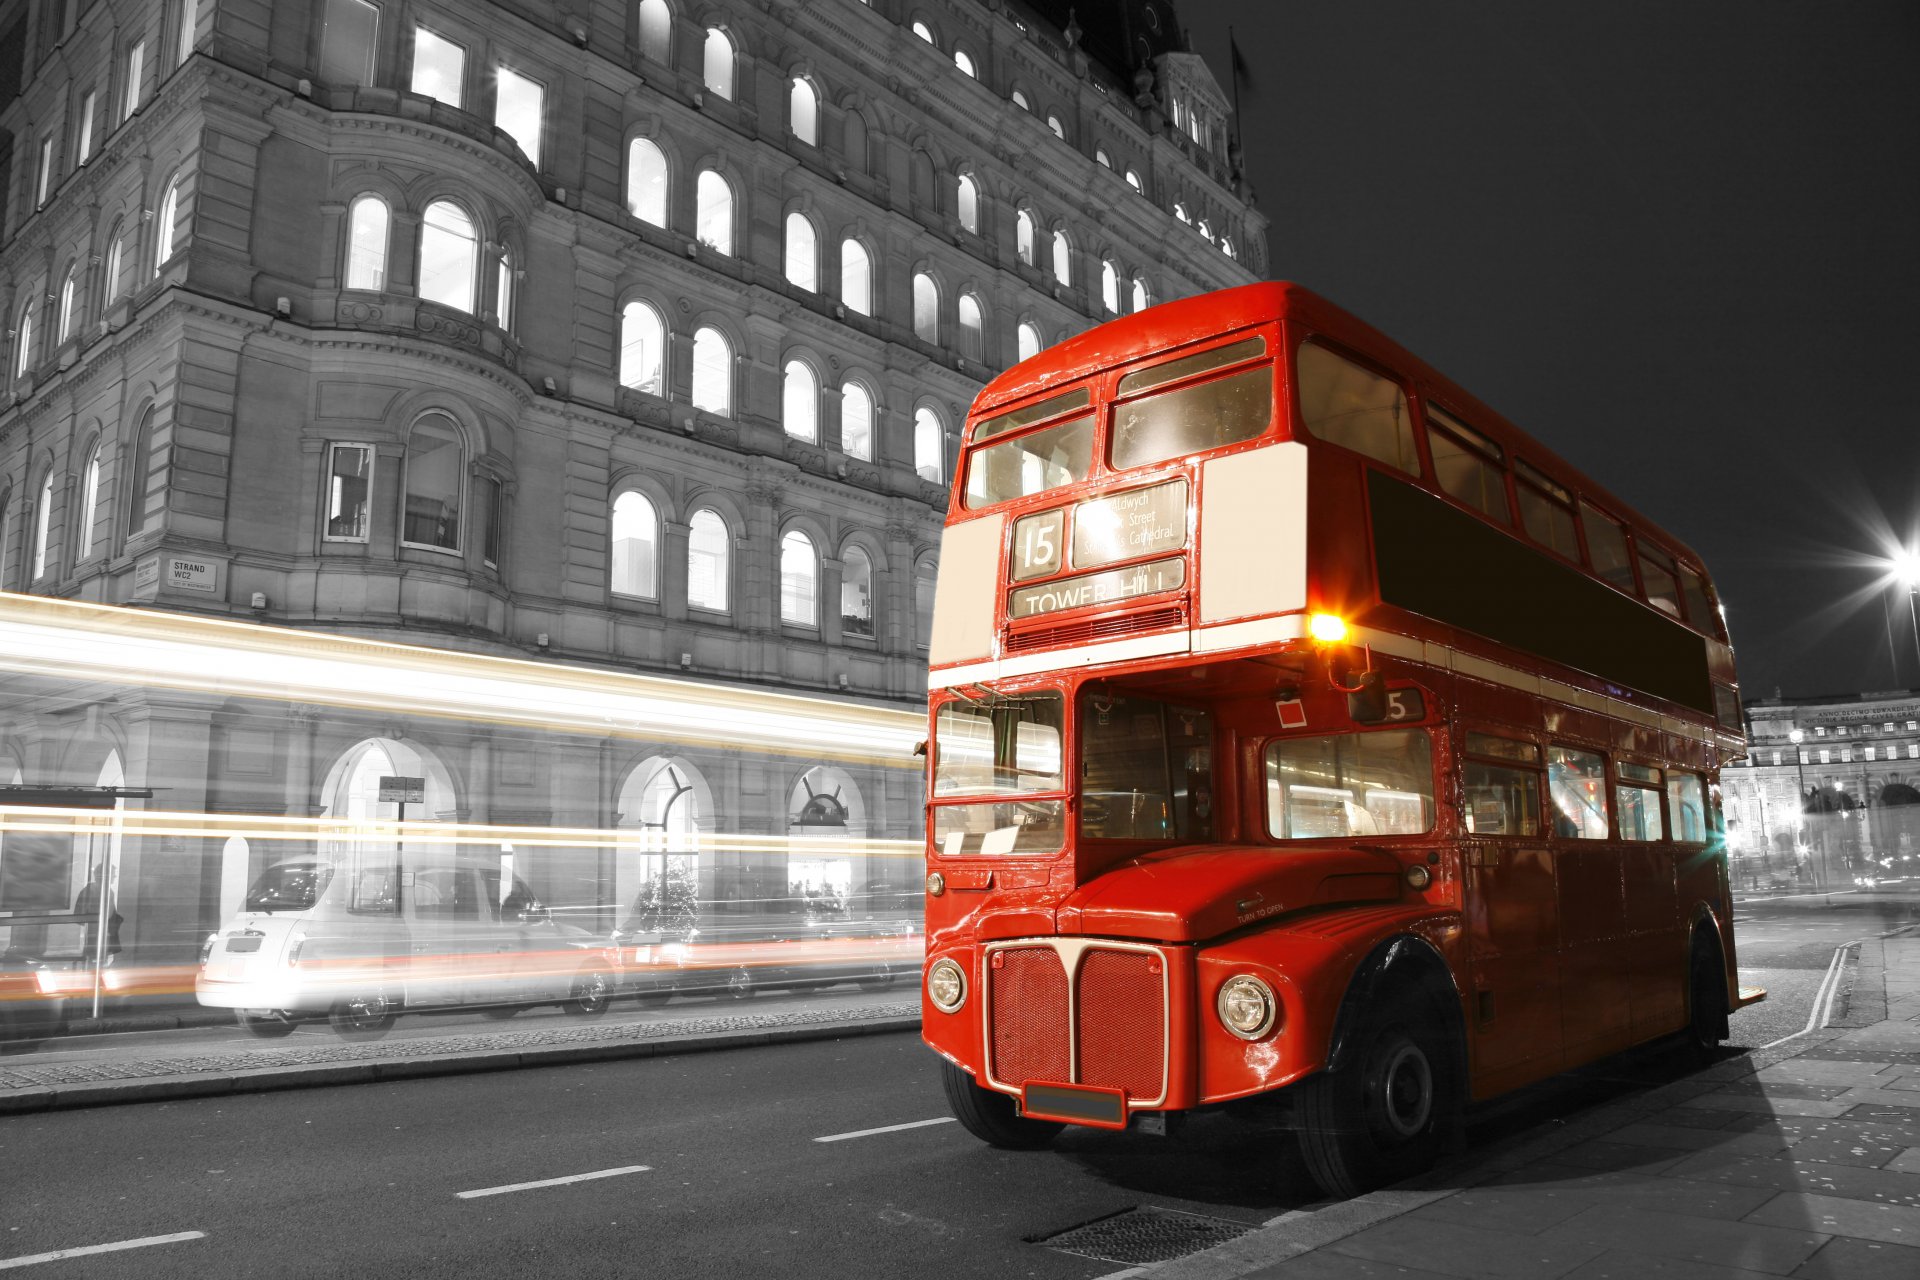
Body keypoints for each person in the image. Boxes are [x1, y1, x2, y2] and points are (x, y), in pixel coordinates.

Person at [73, 866, 124, 963]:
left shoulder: (108, 892)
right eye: (112, 874)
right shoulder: (90, 891)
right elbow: (79, 916)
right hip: (96, 935)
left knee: (100, 962)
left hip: (104, 934)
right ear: (104, 876)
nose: (115, 876)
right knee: (94, 962)